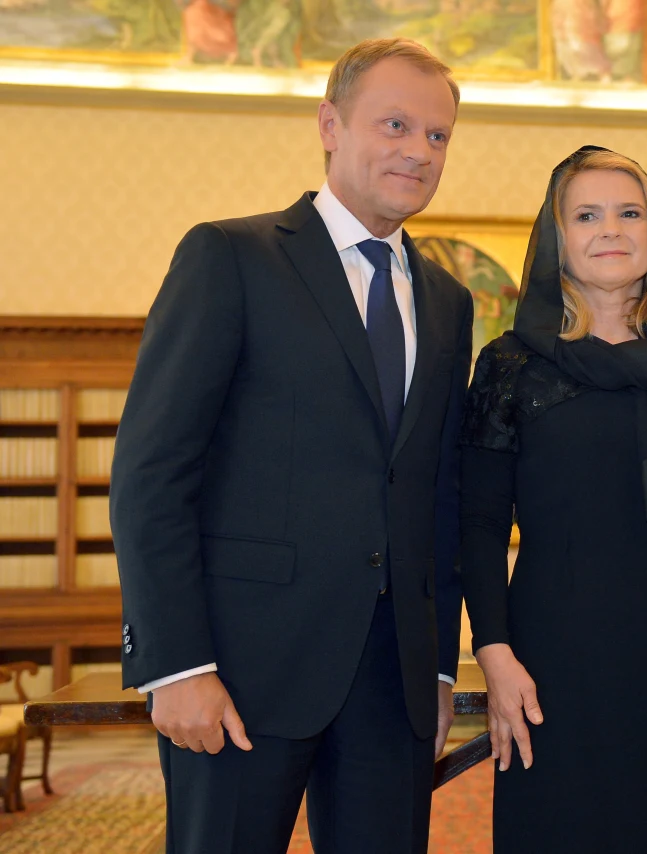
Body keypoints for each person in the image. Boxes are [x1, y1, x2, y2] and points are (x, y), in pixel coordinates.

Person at [110, 38, 473, 854]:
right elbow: (151, 475)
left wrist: (439, 668)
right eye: (394, 124)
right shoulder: (231, 257)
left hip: (394, 687)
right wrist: (176, 665)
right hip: (240, 675)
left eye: (438, 134)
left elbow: (437, 496)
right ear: (329, 125)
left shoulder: (448, 302)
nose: (418, 150)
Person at [459, 146, 647, 854]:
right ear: (555, 238)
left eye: (630, 213)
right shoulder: (510, 364)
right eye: (586, 215)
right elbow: (474, 527)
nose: (611, 230)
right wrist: (495, 658)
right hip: (552, 654)